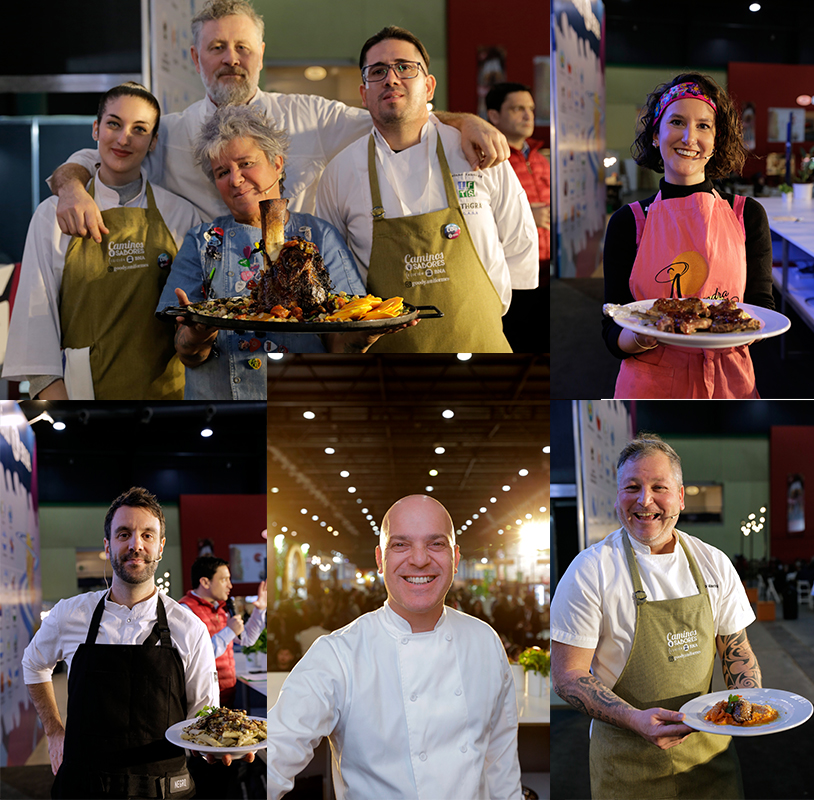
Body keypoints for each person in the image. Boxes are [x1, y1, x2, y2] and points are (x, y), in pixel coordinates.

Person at [48, 0, 509, 244]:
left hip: (303, 285)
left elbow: (392, 116)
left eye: (243, 47)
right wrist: (70, 187)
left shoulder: (314, 117)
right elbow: (99, 157)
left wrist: (463, 120)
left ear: (262, 54)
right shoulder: (168, 132)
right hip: (206, 293)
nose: (232, 59)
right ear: (194, 58)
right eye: (216, 48)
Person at [266, 494, 522, 800]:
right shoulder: (337, 654)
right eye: (400, 544)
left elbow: (502, 767)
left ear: (455, 558)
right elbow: (274, 755)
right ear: (379, 559)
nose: (419, 559)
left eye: (436, 544)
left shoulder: (485, 641)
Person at [550, 434, 761, 799]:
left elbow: (735, 651)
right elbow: (567, 675)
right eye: (631, 487)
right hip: (626, 766)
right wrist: (634, 719)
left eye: (658, 487)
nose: (644, 500)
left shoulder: (714, 563)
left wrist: (749, 705)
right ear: (618, 497)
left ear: (680, 495)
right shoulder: (591, 570)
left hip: (710, 758)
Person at [160, 105, 414, 399]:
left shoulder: (317, 236)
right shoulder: (202, 241)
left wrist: (366, 334)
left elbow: (343, 340)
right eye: (222, 172)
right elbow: (187, 354)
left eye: (246, 163)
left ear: (277, 163)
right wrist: (195, 336)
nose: (235, 179)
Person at [316, 26, 539, 353]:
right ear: (364, 94)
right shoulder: (339, 173)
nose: (391, 78)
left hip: (484, 348)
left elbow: (519, 245)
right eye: (377, 71)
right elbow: (332, 279)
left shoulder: (476, 151)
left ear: (429, 85)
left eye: (405, 67)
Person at [2, 83, 200, 400]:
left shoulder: (182, 215)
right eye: (113, 124)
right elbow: (36, 324)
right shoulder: (51, 216)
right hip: (82, 401)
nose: (124, 139)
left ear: (153, 142)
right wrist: (65, 414)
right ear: (96, 129)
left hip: (170, 402)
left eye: (140, 129)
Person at [21, 487, 220, 799]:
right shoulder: (70, 614)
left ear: (161, 546)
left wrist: (216, 744)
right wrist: (53, 730)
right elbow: (33, 664)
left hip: (165, 790)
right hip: (83, 788)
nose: (135, 545)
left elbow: (203, 711)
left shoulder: (189, 628)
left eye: (147, 535)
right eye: (124, 534)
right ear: (108, 544)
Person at [601, 73, 774, 398]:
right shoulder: (628, 221)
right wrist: (643, 334)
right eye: (677, 121)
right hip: (648, 384)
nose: (689, 137)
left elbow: (761, 307)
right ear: (656, 134)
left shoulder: (747, 215)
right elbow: (613, 324)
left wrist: (723, 330)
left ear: (717, 139)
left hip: (729, 385)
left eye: (703, 126)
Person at [485, 82, 551, 353]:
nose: (528, 116)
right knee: (517, 342)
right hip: (510, 274)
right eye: (517, 109)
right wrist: (527, 216)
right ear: (494, 116)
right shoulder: (487, 160)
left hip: (546, 270)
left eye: (531, 109)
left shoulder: (540, 158)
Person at [179, 555, 267, 708]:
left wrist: (259, 610)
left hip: (228, 692)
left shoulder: (220, 609)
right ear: (205, 582)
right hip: (203, 696)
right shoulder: (185, 611)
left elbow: (246, 640)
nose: (230, 585)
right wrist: (229, 631)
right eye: (224, 580)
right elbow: (196, 657)